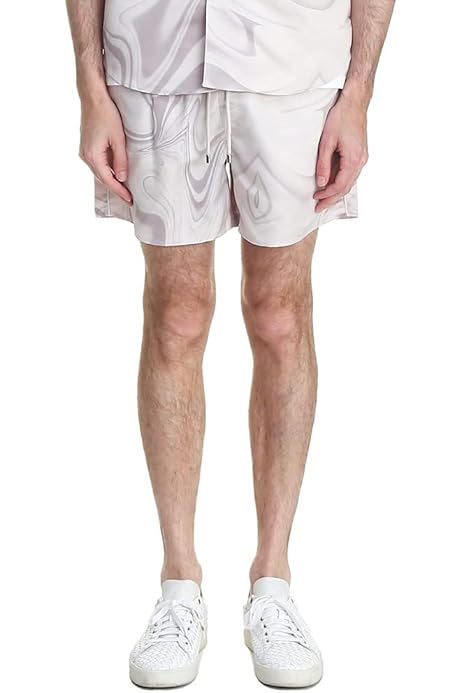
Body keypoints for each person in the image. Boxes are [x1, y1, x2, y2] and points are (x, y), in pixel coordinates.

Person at [66, 0, 394, 687]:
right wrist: (89, 82)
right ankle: (179, 585)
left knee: (280, 313)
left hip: (295, 59)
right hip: (155, 58)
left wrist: (359, 90)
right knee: (176, 315)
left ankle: (272, 582)